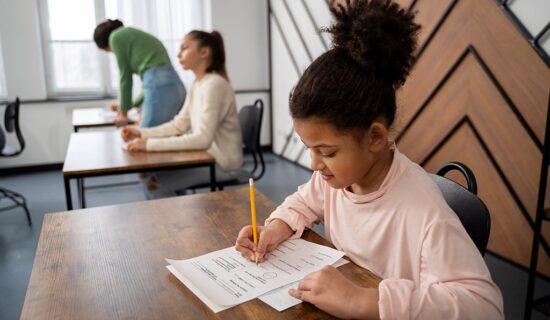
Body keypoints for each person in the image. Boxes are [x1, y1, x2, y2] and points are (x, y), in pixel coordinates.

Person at [235, 0, 504, 319]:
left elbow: (484, 306)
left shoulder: (424, 212)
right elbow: (303, 202)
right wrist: (275, 228)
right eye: (309, 148)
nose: (314, 164)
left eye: (327, 152)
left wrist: (365, 301)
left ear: (375, 137)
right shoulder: (335, 181)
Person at [121, 30, 243, 199]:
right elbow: (179, 124)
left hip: (223, 164)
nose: (178, 54)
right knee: (148, 175)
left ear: (204, 52)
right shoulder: (197, 84)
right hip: (207, 157)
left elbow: (202, 139)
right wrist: (142, 133)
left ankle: (176, 224)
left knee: (154, 183)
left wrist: (148, 144)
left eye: (184, 48)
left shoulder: (214, 85)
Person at [94, 19, 186, 128]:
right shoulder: (134, 35)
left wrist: (123, 113)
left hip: (161, 89)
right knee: (168, 134)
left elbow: (125, 77)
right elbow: (152, 84)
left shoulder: (115, 37)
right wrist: (130, 105)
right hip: (176, 87)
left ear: (105, 44)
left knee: (140, 135)